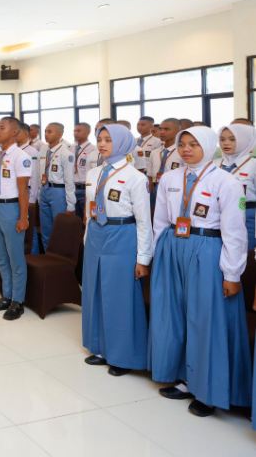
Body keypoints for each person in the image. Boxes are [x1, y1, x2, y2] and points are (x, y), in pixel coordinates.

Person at [150, 126, 252, 418]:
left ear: (207, 146)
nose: (186, 149)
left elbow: (235, 232)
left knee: (204, 319)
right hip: (173, 246)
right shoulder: (170, 178)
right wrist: (159, 254)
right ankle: (184, 377)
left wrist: (232, 273)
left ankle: (207, 389)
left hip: (207, 249)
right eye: (182, 144)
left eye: (193, 144)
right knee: (177, 314)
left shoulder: (226, 182)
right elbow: (159, 220)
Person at [81, 125, 151, 377]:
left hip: (122, 235)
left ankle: (122, 356)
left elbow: (144, 221)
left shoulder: (135, 177)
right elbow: (89, 209)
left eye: (108, 140)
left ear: (122, 143)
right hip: (96, 235)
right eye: (99, 139)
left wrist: (143, 258)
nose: (102, 144)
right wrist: (87, 237)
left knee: (119, 296)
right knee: (95, 291)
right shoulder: (93, 173)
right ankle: (99, 346)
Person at [0, 117, 32, 321]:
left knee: (15, 258)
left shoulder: (20, 156)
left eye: (2, 128)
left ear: (14, 132)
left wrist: (24, 217)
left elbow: (23, 191)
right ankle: (6, 295)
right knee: (1, 256)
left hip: (11, 208)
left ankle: (18, 301)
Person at [38, 122, 76, 251]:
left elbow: (69, 181)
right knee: (45, 227)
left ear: (60, 134)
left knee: (59, 227)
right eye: (46, 131)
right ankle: (48, 255)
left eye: (50, 132)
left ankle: (60, 256)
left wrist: (71, 204)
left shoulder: (66, 153)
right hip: (44, 189)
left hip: (58, 191)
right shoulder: (44, 151)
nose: (46, 134)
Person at [218, 124, 256, 249]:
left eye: (232, 139)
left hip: (247, 218)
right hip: (217, 217)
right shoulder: (214, 164)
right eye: (222, 139)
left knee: (245, 257)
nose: (226, 143)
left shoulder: (253, 164)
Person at [17, 122, 42, 253]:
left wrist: (32, 200)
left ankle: (34, 255)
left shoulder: (32, 152)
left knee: (30, 230)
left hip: (28, 196)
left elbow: (35, 178)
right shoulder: (14, 151)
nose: (14, 135)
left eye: (18, 132)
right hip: (16, 195)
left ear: (26, 134)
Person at [148, 118, 183, 205]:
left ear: (178, 131)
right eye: (160, 129)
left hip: (175, 190)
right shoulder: (155, 152)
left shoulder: (182, 153)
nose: (162, 132)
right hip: (156, 188)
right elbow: (150, 175)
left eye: (166, 129)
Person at [73, 123, 97, 218]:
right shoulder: (71, 148)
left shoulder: (93, 150)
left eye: (79, 131)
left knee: (88, 218)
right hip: (73, 188)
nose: (76, 133)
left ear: (88, 132)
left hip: (86, 189)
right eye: (74, 131)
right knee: (74, 219)